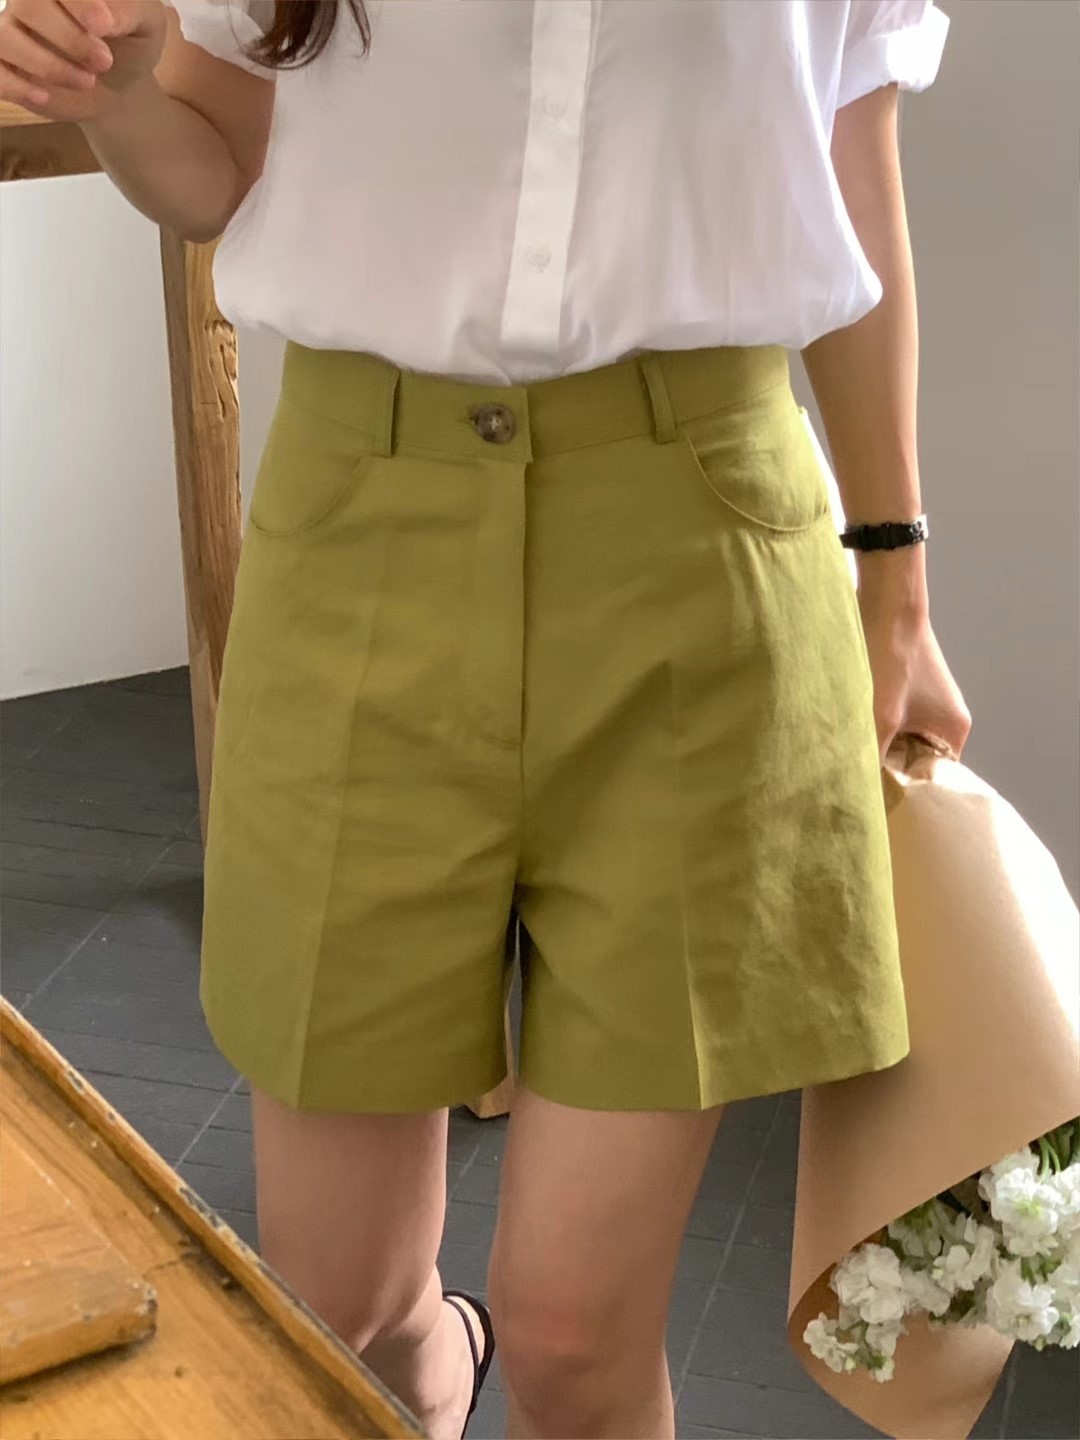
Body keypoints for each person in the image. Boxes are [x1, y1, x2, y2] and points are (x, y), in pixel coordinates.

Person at [0, 1, 972, 1435]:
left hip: (699, 560)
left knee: (578, 1337)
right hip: (361, 546)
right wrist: (123, 95)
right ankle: (433, 1363)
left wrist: (897, 572)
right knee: (336, 1312)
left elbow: (850, 163)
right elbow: (220, 164)